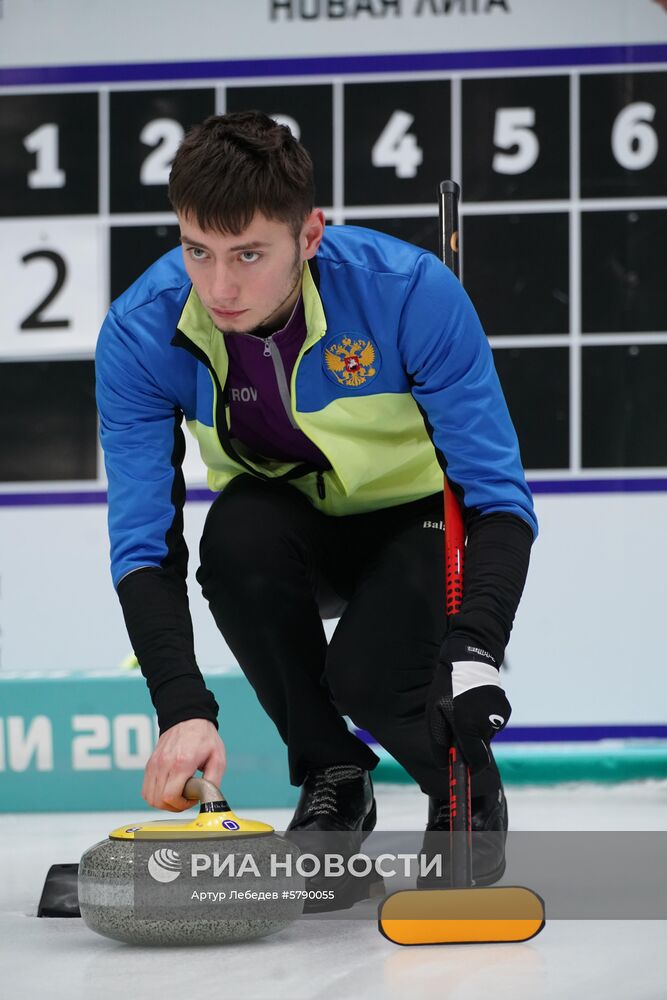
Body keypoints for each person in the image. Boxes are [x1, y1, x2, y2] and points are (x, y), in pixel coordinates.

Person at [96, 111, 537, 894]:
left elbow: (497, 497)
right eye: (197, 250)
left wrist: (475, 647)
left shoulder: (408, 293)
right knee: (232, 541)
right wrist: (181, 707)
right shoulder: (140, 331)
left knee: (370, 676)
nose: (219, 286)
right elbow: (142, 546)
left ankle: (463, 788)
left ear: (309, 236)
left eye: (248, 254)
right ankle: (334, 777)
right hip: (288, 532)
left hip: (418, 524)